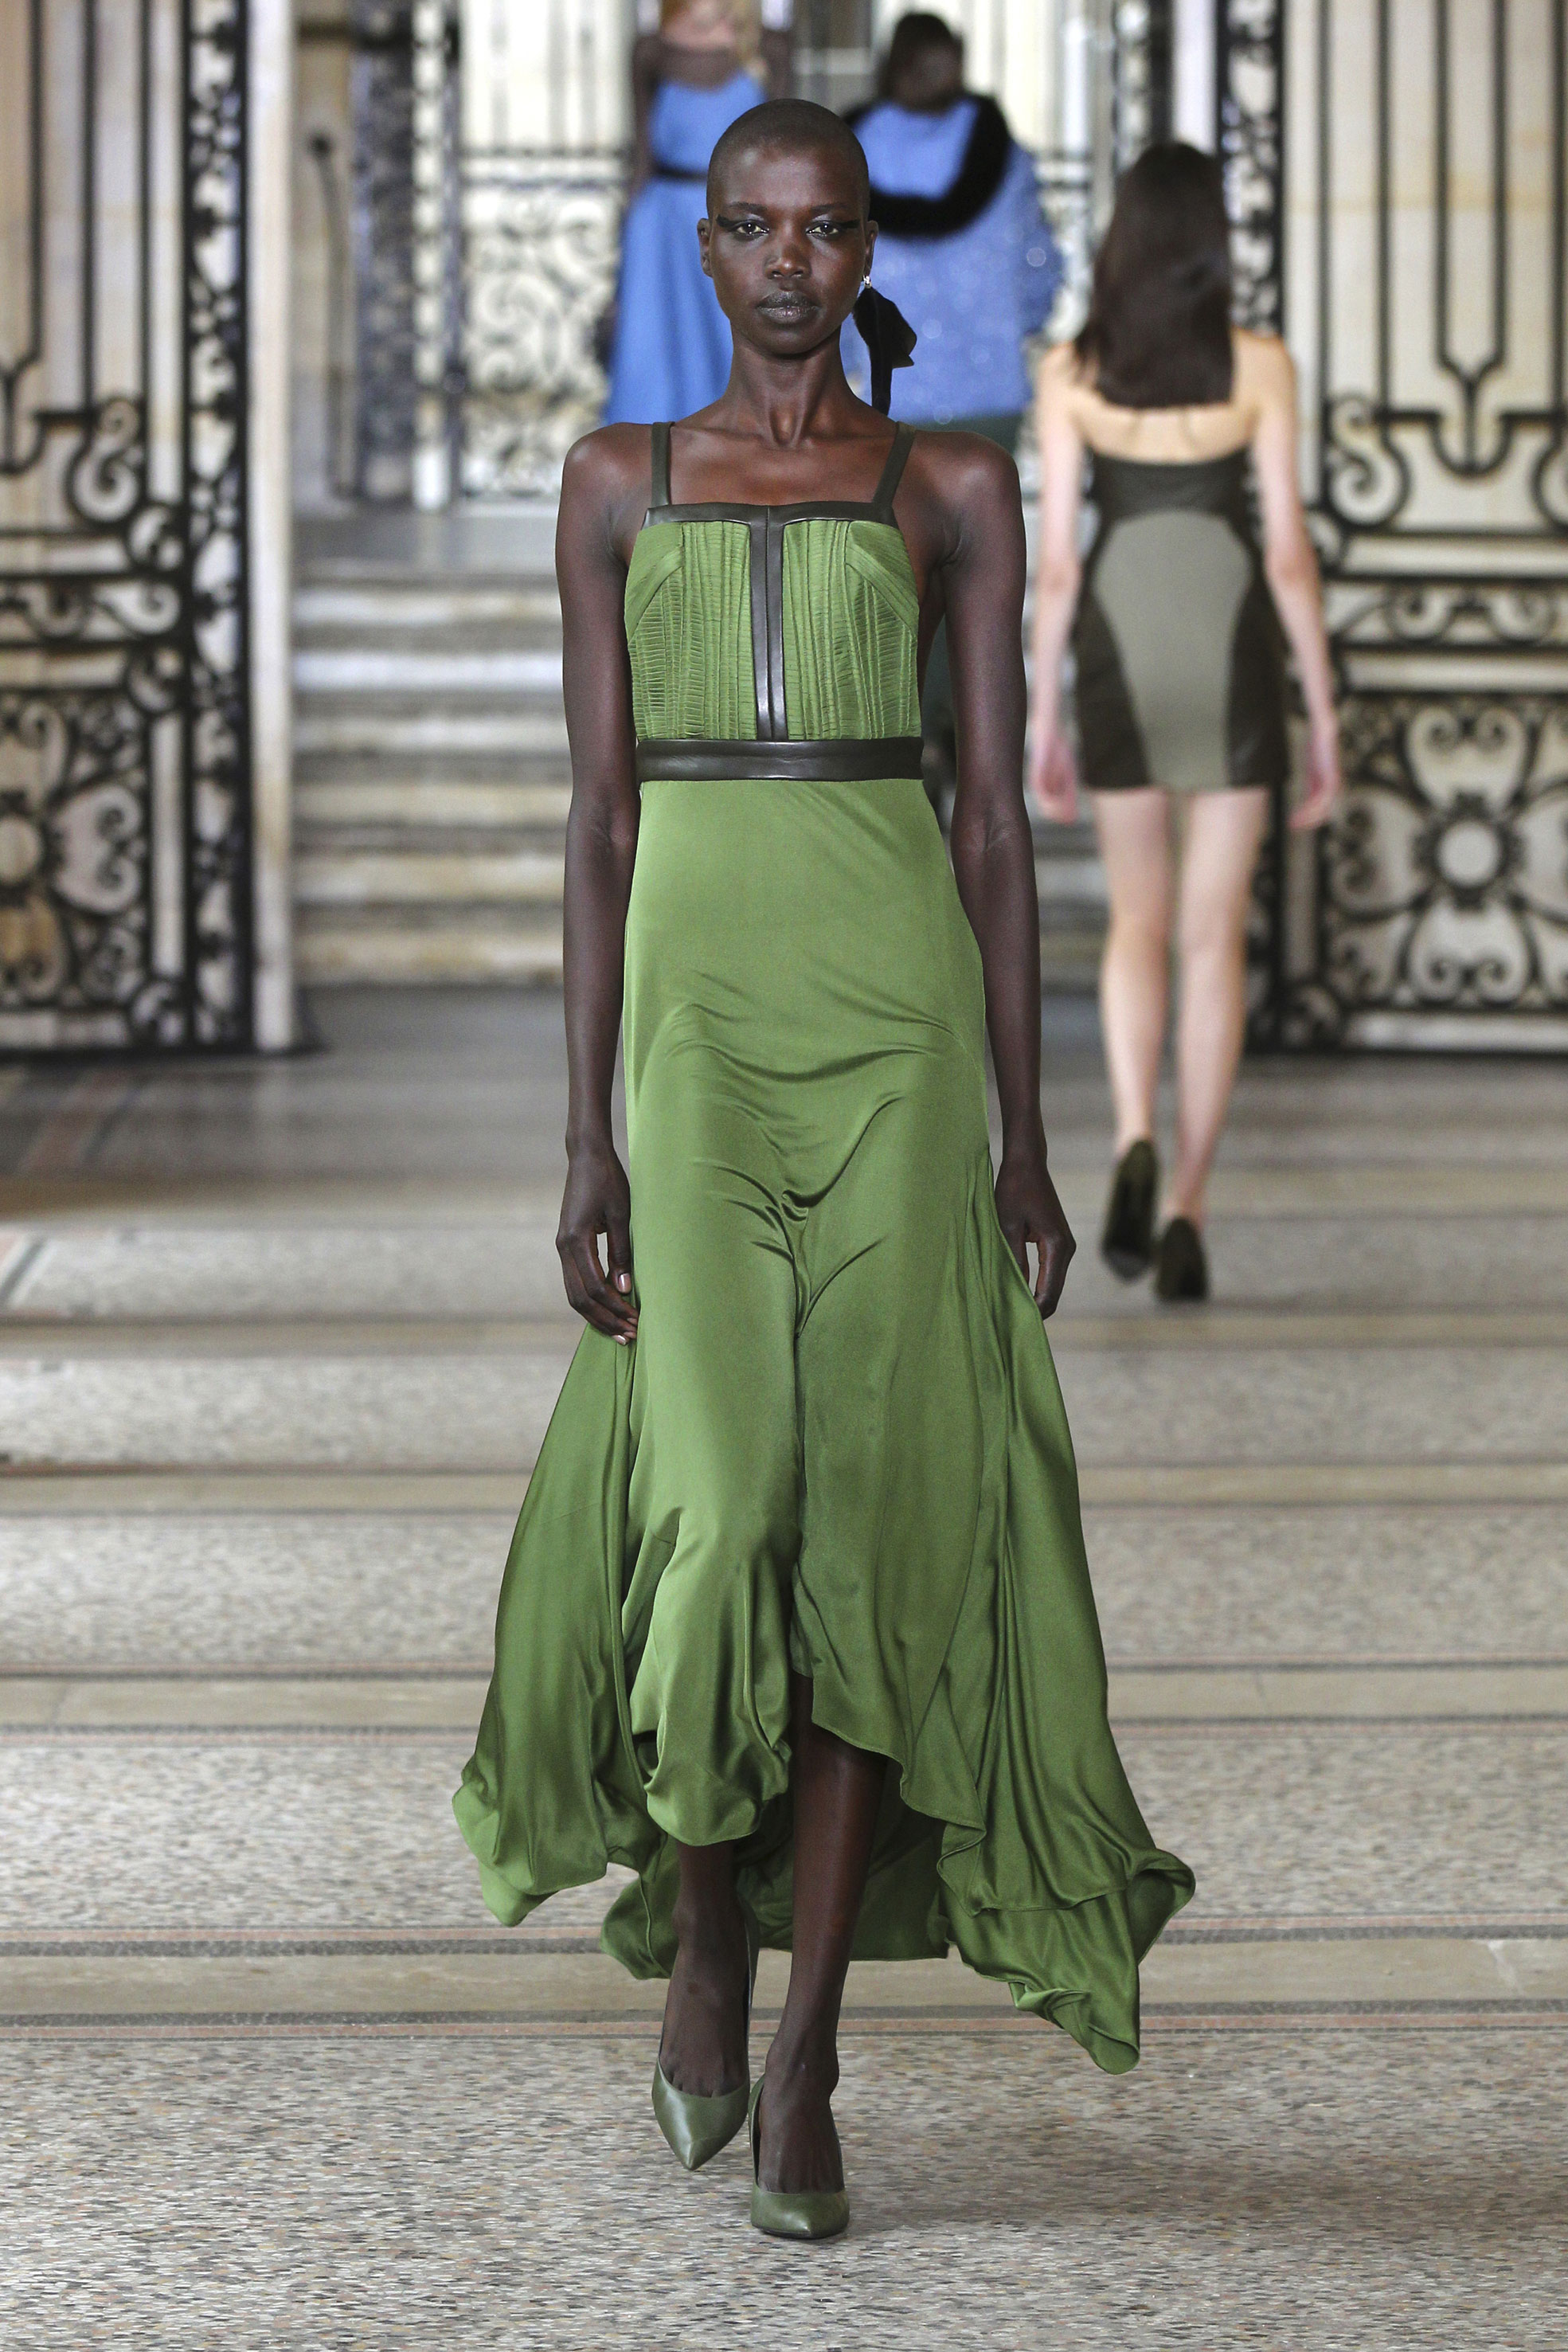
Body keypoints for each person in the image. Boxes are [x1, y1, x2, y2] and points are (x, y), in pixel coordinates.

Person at [455, 100, 1191, 2242]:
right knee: (716, 1512)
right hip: (695, 1050)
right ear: (705, 249)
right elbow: (599, 821)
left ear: (869, 253)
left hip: (898, 1044)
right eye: (755, 226)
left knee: (864, 1534)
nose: (791, 259)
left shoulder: (948, 483)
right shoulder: (616, 481)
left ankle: (806, 2053)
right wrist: (582, 1135)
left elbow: (990, 823)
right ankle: (706, 1922)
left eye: (827, 228)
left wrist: (1028, 1139)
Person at [1028, 142, 1341, 1302]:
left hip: (1120, 646)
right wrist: (1322, 713)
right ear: (1212, 243)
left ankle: (1130, 1134)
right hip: (1228, 653)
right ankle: (1188, 1209)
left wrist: (1039, 715)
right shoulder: (1260, 366)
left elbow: (1056, 566)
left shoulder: (1071, 373)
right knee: (1212, 941)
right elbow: (1290, 558)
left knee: (1137, 924)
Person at [843, 11, 1063, 803]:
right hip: (987, 395)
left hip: (888, 395)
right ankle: (969, 745)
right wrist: (1009, 324)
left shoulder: (852, 152)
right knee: (981, 583)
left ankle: (908, 739)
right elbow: (1040, 268)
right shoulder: (999, 152)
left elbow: (829, 265)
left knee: (899, 581)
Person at [601, 0, 787, 425]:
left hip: (740, 222)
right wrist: (620, 255)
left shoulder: (770, 45)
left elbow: (781, 154)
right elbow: (642, 158)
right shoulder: (651, 50)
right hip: (661, 228)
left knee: (733, 345)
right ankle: (654, 461)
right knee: (653, 350)